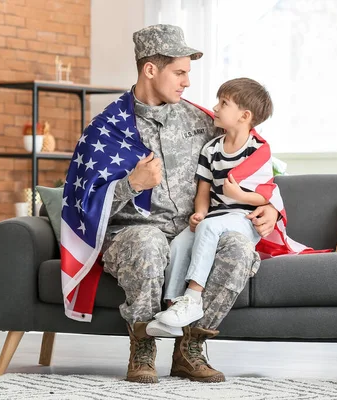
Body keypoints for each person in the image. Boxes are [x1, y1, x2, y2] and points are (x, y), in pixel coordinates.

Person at [60, 24, 279, 385]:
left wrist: (272, 207)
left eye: (188, 73)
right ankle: (143, 348)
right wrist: (132, 184)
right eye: (179, 72)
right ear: (150, 70)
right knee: (148, 243)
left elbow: (254, 161)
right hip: (133, 232)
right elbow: (83, 205)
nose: (187, 82)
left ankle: (190, 350)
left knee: (239, 247)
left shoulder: (200, 120)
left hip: (193, 229)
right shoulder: (106, 129)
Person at [147, 78, 274, 335]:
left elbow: (265, 196)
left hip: (243, 219)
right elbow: (203, 190)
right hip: (214, 217)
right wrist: (200, 213)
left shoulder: (257, 151)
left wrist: (239, 194)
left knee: (209, 227)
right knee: (181, 242)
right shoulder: (211, 149)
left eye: (224, 103)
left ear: (244, 116)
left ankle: (193, 297)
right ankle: (173, 307)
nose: (215, 107)